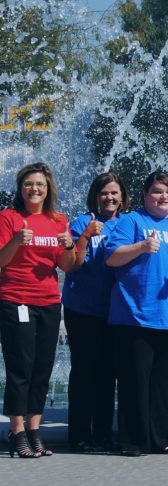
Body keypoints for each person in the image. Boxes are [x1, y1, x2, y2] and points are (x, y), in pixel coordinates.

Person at [105, 171, 168, 456]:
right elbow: (112, 258)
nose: (164, 197)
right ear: (145, 196)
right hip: (135, 314)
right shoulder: (131, 221)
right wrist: (142, 246)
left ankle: (161, 439)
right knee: (135, 381)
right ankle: (133, 441)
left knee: (163, 385)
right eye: (158, 192)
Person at [0, 162, 77, 458]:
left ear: (48, 190)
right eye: (29, 184)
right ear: (21, 188)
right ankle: (16, 431)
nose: (35, 189)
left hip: (47, 301)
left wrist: (70, 245)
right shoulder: (9, 218)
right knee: (21, 367)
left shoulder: (57, 220)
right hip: (15, 299)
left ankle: (35, 430)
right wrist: (17, 240)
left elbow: (67, 265)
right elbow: (2, 261)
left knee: (42, 368)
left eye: (40, 185)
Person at [62, 172, 128, 452]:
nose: (109, 198)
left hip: (115, 312)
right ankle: (78, 433)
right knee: (84, 372)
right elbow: (73, 264)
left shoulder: (128, 223)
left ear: (122, 197)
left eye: (114, 193)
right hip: (83, 310)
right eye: (104, 193)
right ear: (95, 196)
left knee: (108, 374)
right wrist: (86, 236)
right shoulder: (82, 222)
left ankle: (102, 432)